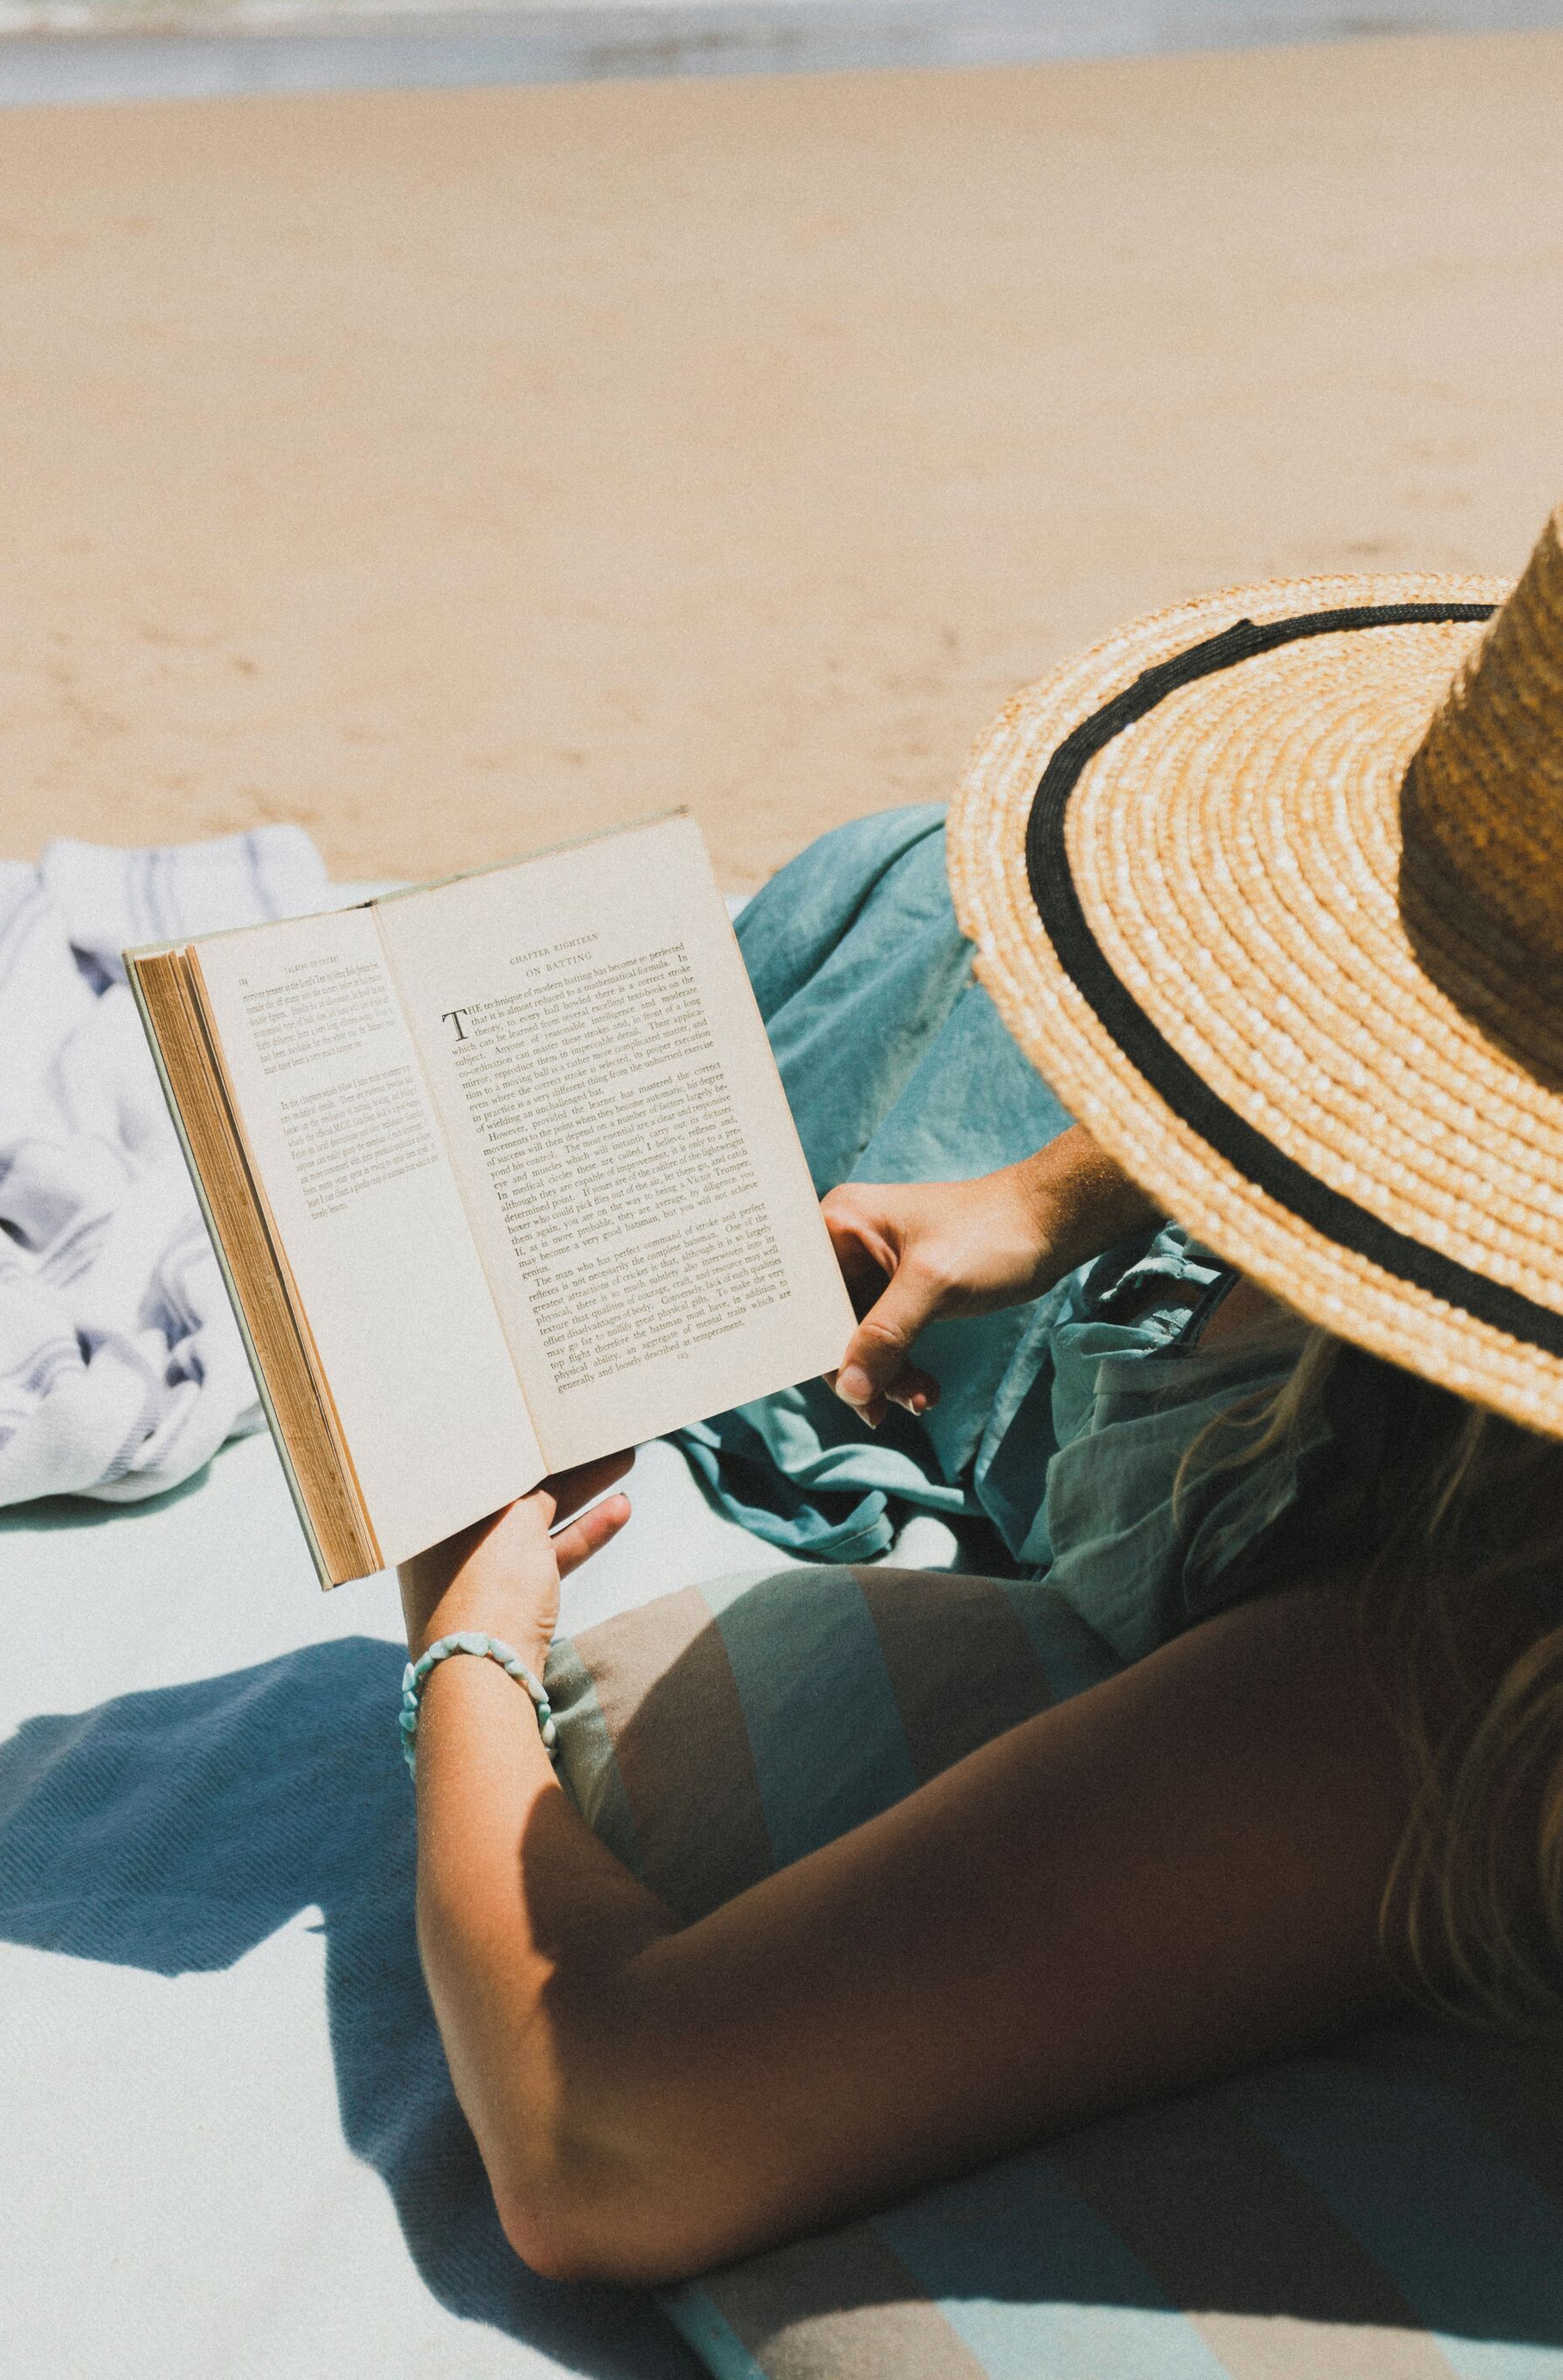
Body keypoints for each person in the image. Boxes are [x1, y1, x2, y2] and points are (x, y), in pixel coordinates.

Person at [397, 508, 1563, 2286]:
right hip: (1075, 1286)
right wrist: (1061, 1189)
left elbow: (603, 2135)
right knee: (884, 899)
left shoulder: (1446, 1687)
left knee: (707, 1025)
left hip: (1151, 1423)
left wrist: (464, 1635)